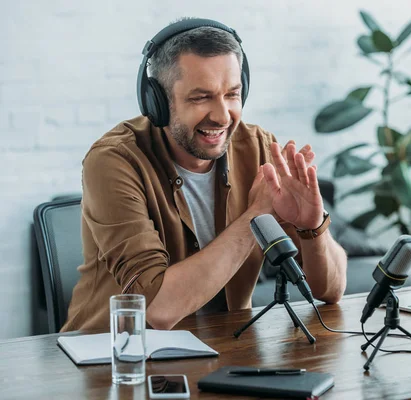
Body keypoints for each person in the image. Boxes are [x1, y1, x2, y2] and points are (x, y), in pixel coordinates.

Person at [61, 18, 347, 332]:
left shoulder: (259, 149)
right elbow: (157, 309)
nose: (223, 116)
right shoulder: (114, 161)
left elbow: (330, 291)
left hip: (226, 357)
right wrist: (257, 216)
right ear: (157, 102)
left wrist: (313, 227)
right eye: (201, 97)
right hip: (116, 359)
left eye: (232, 95)